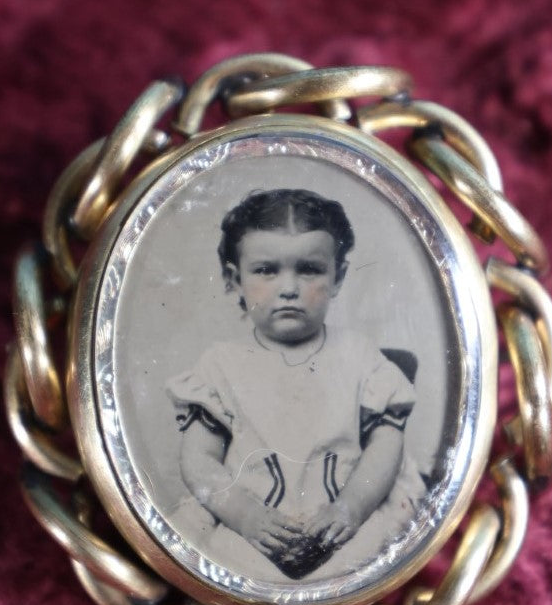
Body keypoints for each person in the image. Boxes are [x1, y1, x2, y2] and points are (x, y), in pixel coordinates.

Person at [165, 188, 424, 580]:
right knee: (206, 557)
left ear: (338, 277)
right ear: (235, 280)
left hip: (344, 516)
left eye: (309, 269)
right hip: (252, 519)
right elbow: (198, 462)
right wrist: (245, 515)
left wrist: (351, 507)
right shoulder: (220, 365)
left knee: (380, 553)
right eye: (267, 270)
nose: (289, 288)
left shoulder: (360, 355)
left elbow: (386, 447)